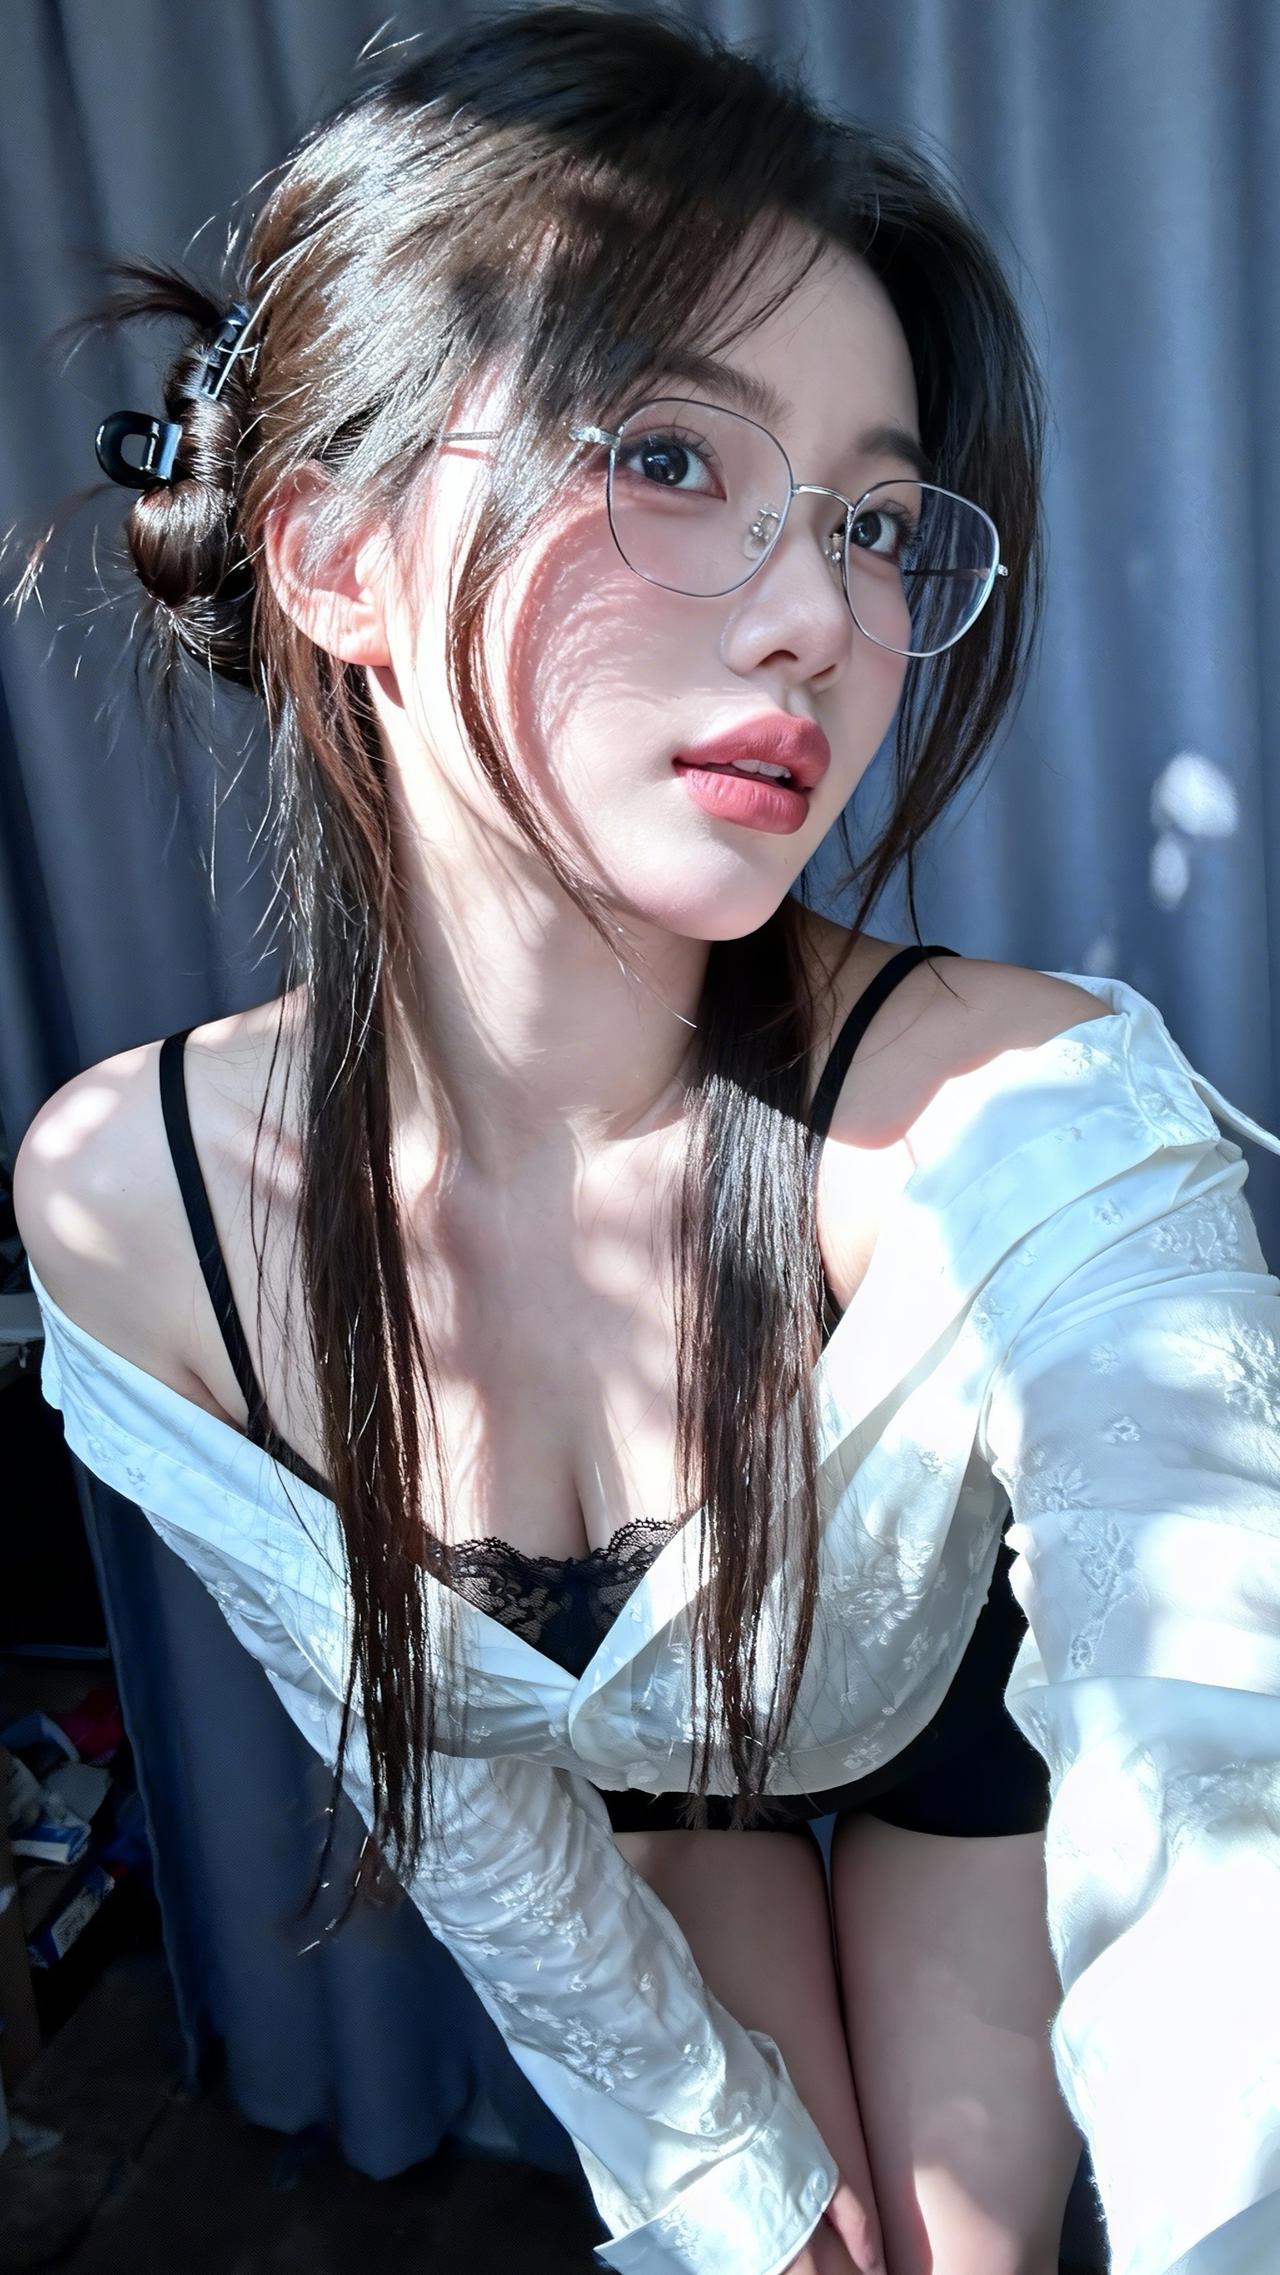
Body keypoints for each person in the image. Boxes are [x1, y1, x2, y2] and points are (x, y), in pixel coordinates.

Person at [12, 7, 1280, 2272]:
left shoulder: (1026, 1121)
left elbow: (1220, 1810)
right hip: (656, 1791)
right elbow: (465, 1810)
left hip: (956, 1749)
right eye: (672, 456)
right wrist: (732, 2205)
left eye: (875, 520)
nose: (820, 618)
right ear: (334, 555)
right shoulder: (142, 1214)